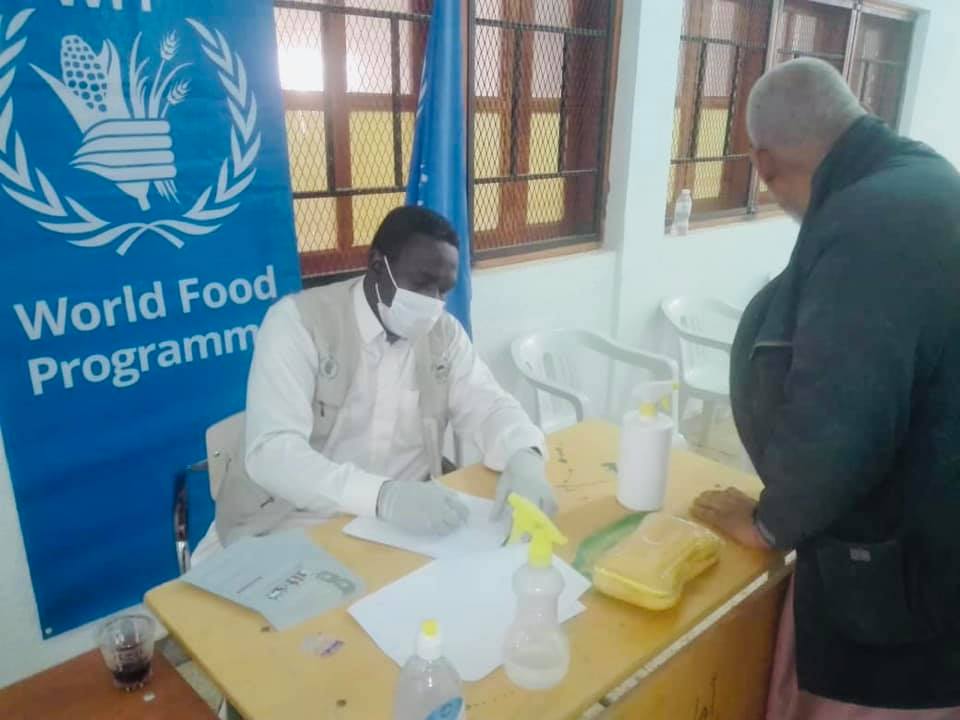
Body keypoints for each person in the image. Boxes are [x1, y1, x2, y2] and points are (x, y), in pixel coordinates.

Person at [690, 58, 960, 718]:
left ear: (762, 163)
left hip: (907, 576)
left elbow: (842, 413)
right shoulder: (926, 180)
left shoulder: (868, 222)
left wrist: (769, 522)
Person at [195, 206, 556, 558]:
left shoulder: (444, 335)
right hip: (294, 523)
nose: (433, 303)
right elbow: (273, 453)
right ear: (378, 266)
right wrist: (383, 497)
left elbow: (489, 405)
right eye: (422, 284)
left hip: (406, 529)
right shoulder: (298, 323)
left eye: (444, 290)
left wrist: (524, 455)